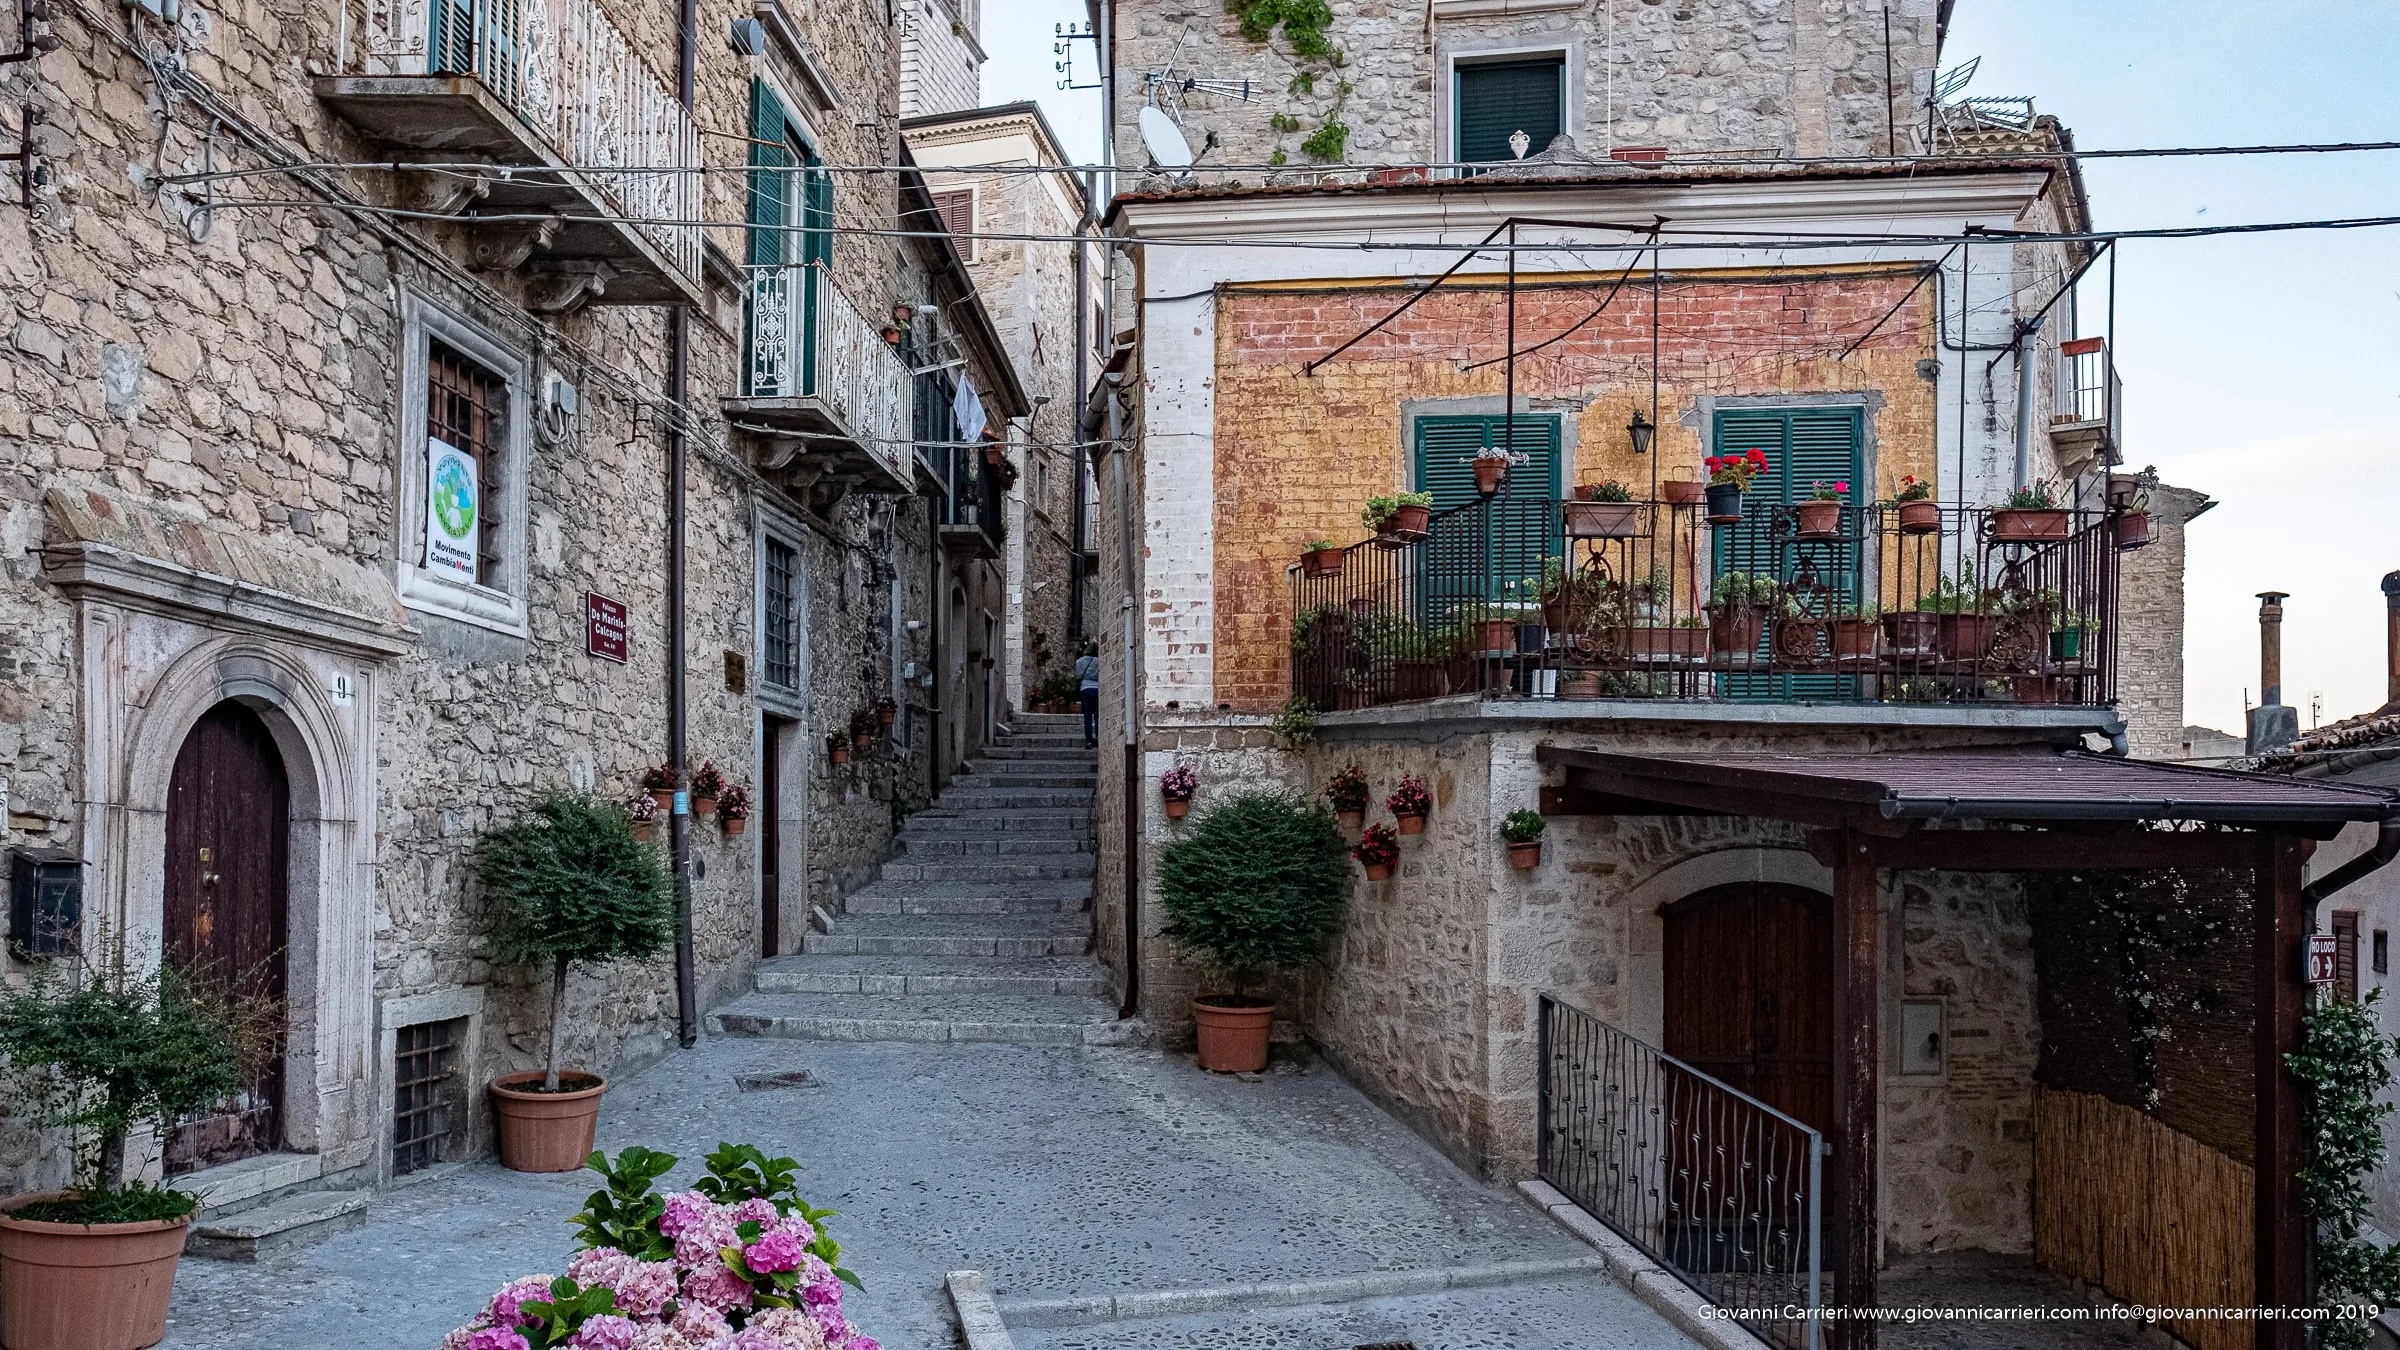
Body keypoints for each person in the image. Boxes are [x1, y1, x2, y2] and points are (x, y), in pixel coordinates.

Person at [1074, 642, 1101, 748]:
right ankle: (1099, 738)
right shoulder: (1100, 661)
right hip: (1097, 689)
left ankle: (1089, 740)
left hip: (1085, 688)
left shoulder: (1079, 661)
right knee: (1098, 716)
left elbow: (1078, 675)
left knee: (1087, 716)